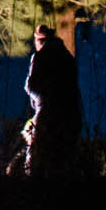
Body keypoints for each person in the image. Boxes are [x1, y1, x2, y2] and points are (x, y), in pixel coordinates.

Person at [24, 23, 81, 175]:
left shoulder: (40, 57)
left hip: (48, 115)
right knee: (65, 161)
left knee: (40, 159)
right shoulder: (67, 57)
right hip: (71, 114)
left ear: (39, 40)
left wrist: (40, 103)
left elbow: (31, 86)